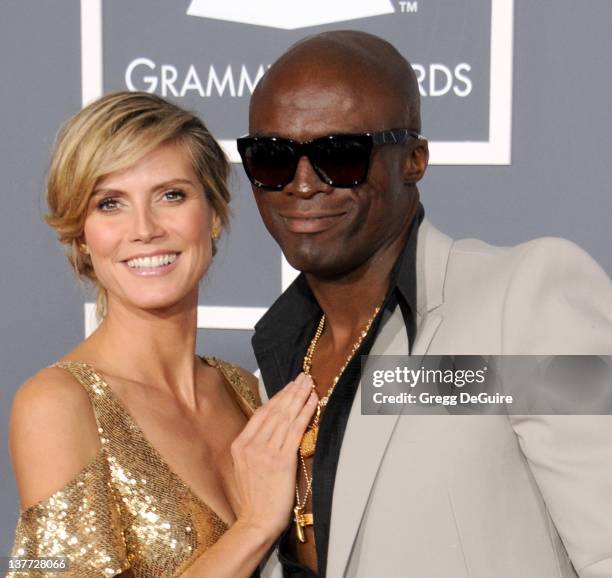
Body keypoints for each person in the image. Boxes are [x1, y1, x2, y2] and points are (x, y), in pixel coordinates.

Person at [237, 31, 612, 577]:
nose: (301, 185)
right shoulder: (271, 369)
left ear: (414, 159)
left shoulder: (519, 304)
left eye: (339, 156)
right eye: (271, 159)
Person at [8, 91, 318, 578]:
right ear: (81, 237)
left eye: (171, 195)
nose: (145, 229)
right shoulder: (57, 404)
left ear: (213, 215)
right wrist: (255, 526)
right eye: (110, 204)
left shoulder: (245, 392)